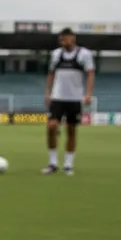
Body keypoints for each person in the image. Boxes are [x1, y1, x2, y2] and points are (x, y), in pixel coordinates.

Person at [42, 28, 94, 175]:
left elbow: (91, 74)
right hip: (57, 97)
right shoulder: (56, 54)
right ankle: (52, 164)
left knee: (71, 131)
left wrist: (88, 94)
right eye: (61, 38)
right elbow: (51, 74)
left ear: (73, 38)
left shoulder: (84, 54)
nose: (62, 40)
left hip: (74, 98)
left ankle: (68, 165)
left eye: (65, 37)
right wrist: (48, 93)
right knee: (51, 127)